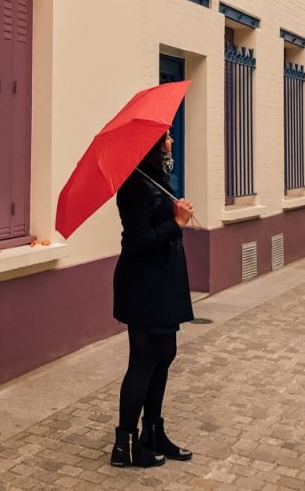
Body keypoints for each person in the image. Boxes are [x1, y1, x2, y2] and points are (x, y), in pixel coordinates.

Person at [109, 130, 195, 468]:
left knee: (165, 354)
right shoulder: (133, 185)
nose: (172, 141)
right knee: (143, 360)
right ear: (152, 145)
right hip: (144, 285)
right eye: (166, 137)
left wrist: (174, 211)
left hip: (164, 282)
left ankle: (153, 433)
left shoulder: (156, 179)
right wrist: (176, 222)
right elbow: (138, 240)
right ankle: (125, 445)